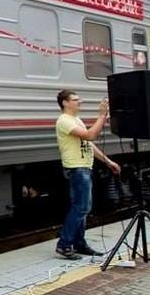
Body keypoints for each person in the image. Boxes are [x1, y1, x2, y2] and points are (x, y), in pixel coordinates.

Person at [54, 89, 121, 259]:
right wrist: (102, 115)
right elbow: (90, 136)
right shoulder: (64, 121)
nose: (80, 102)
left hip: (83, 167)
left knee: (82, 208)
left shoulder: (76, 120)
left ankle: (79, 243)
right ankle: (64, 244)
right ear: (65, 103)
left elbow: (89, 144)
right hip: (76, 168)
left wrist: (108, 161)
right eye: (75, 99)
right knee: (81, 207)